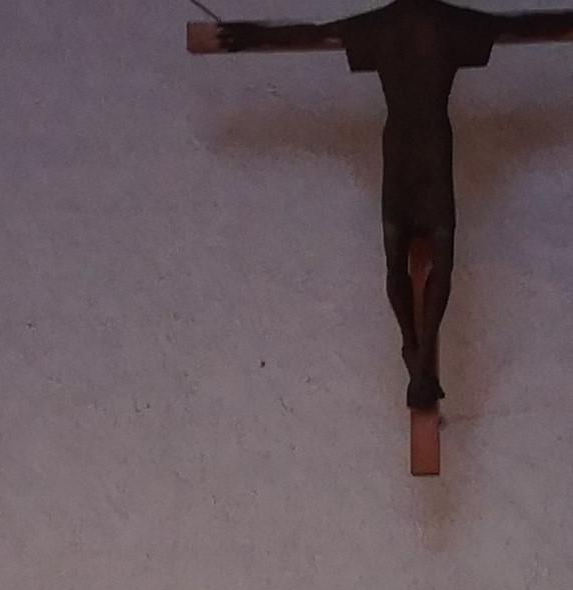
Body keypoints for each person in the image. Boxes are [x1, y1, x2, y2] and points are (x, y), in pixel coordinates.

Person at [206, 2, 573, 410]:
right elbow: (518, 28)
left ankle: (413, 356)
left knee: (397, 258)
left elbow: (315, 34)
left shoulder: (381, 25)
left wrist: (258, 35)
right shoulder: (448, 22)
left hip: (401, 148)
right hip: (431, 149)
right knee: (439, 255)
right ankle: (420, 364)